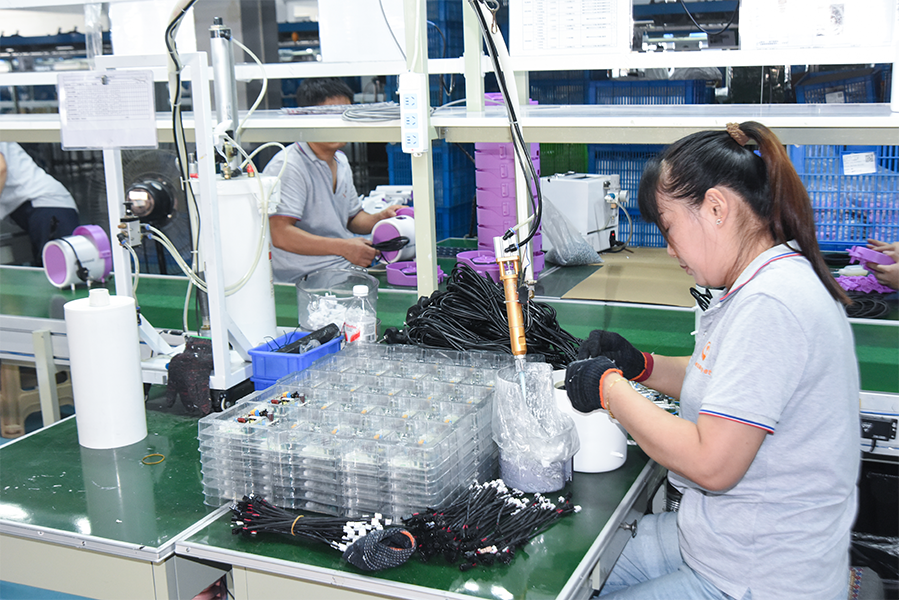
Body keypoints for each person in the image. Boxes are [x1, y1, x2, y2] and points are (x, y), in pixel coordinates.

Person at [565, 121, 860, 600]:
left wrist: (610, 390)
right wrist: (641, 366)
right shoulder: (759, 280)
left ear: (717, 208)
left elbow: (712, 464)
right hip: (721, 539)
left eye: (669, 228)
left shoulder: (772, 304)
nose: (669, 249)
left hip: (762, 576)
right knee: (572, 571)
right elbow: (724, 382)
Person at [265, 78, 398, 283]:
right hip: (301, 279)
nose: (339, 124)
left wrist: (380, 218)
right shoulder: (290, 165)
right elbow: (280, 234)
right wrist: (344, 247)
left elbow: (351, 219)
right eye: (330, 116)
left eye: (344, 115)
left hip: (339, 268)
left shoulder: (340, 161)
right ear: (306, 118)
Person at [0, 142, 79, 266]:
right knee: (50, 270)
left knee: (62, 269)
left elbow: (1, 169)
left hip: (48, 207)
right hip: (38, 208)